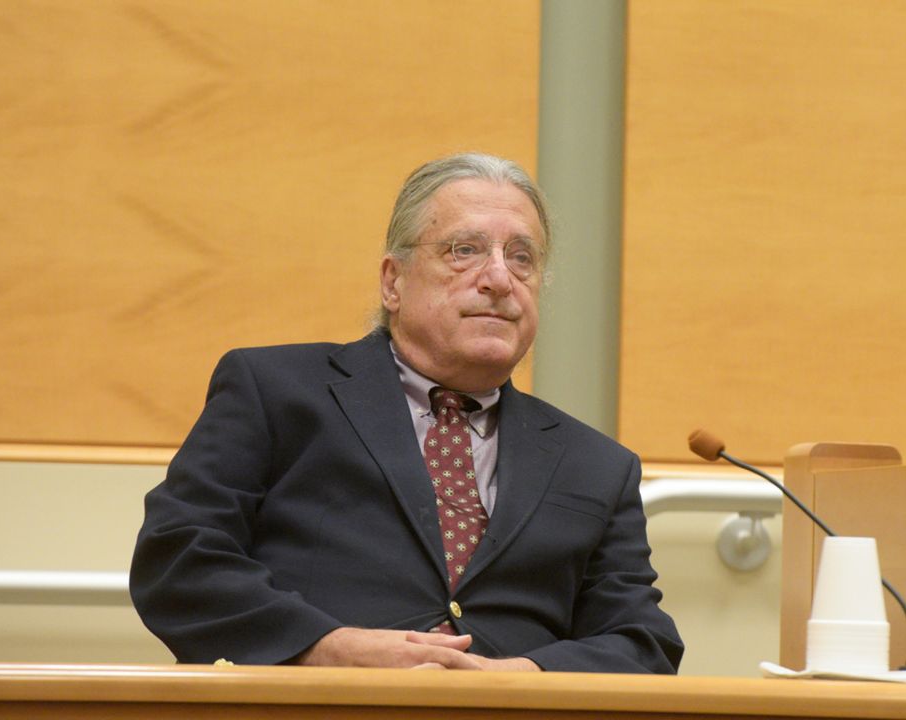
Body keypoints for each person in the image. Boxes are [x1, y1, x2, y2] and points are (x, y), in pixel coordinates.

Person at [129, 152, 683, 673]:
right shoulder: (275, 392)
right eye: (464, 250)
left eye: (522, 258)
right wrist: (331, 649)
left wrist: (523, 674)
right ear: (393, 281)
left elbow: (644, 639)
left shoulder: (597, 465)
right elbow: (179, 561)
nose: (499, 279)